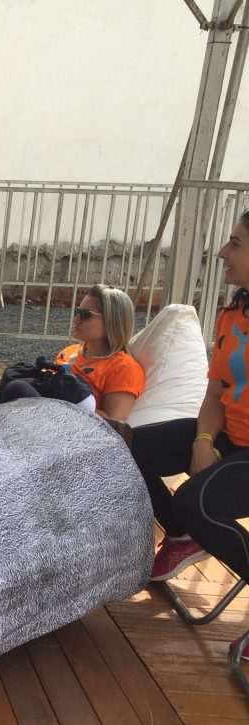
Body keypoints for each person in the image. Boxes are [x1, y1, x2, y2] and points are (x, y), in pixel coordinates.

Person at [132, 214, 249, 611]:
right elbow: (215, 392)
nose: (222, 252)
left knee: (196, 502)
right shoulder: (233, 314)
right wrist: (202, 441)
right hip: (228, 438)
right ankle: (183, 536)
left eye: (235, 243)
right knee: (122, 450)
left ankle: (192, 523)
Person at [0, 284, 145, 421]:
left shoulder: (124, 367)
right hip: (34, 420)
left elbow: (113, 425)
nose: (75, 319)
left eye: (85, 314)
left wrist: (73, 402)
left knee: (18, 389)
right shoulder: (70, 352)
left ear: (111, 322)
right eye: (77, 312)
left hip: (66, 434)